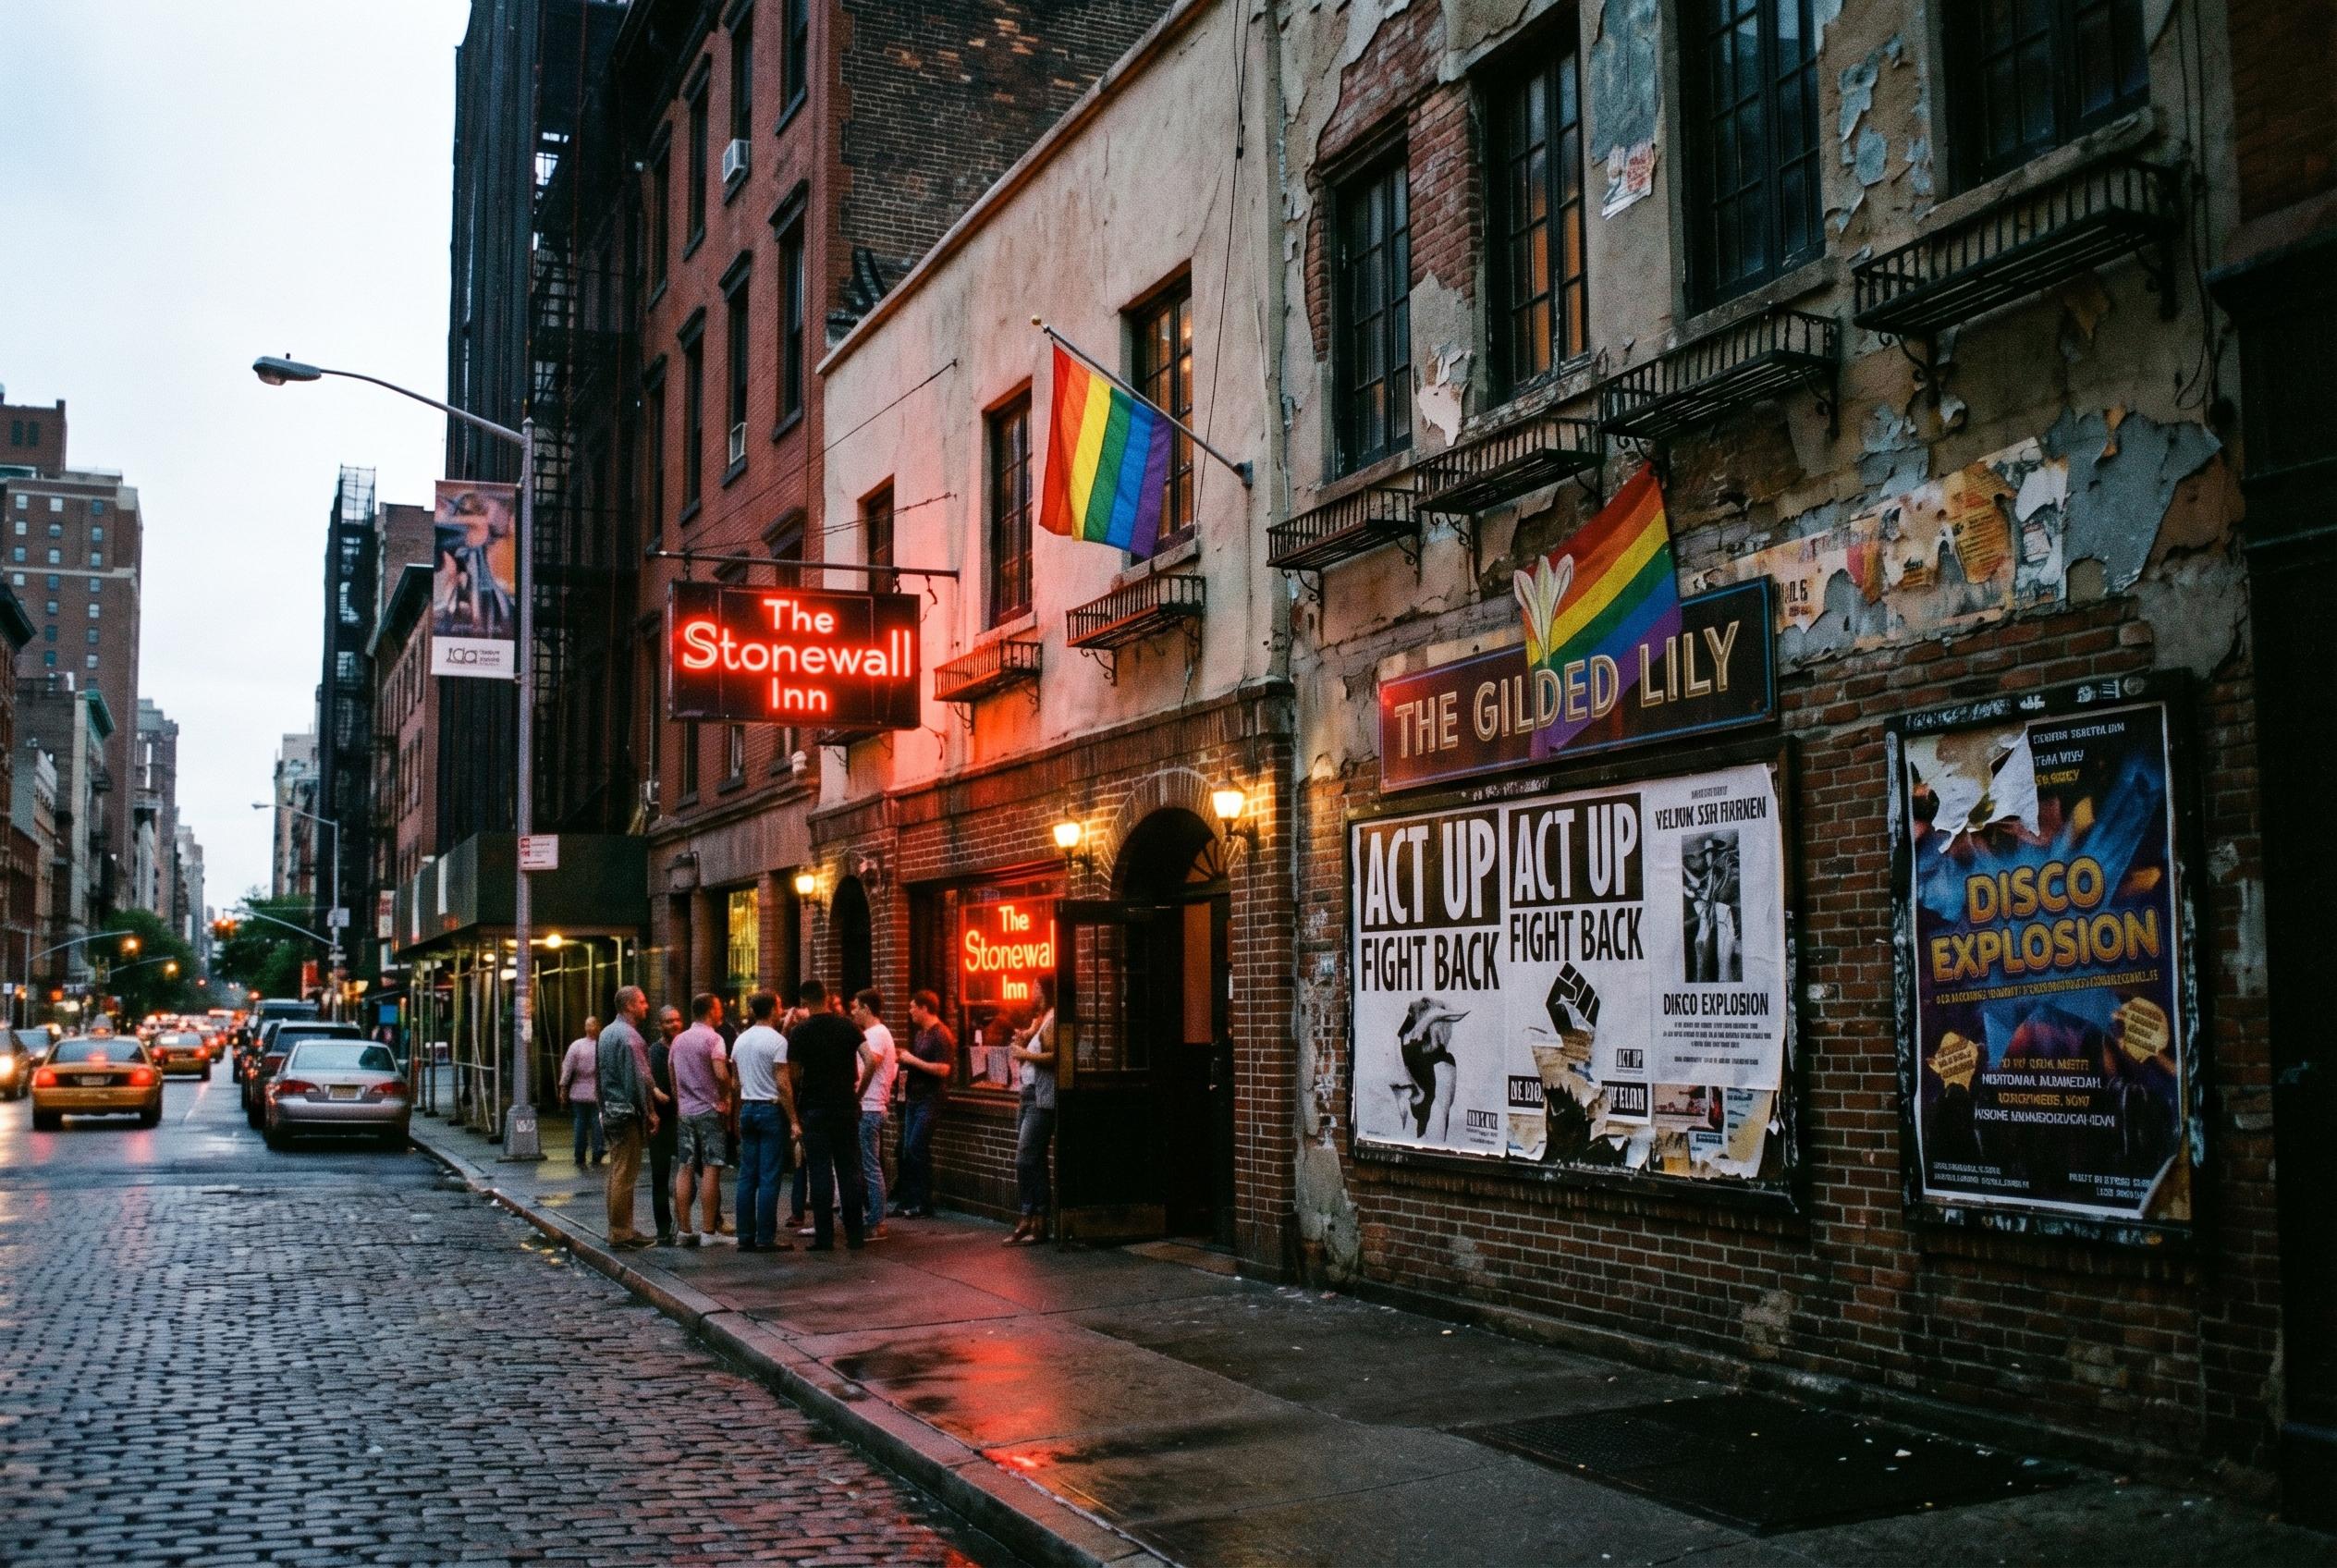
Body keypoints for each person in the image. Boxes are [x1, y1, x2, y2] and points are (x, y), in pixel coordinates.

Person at [789, 980, 871, 1252]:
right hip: (846, 1105)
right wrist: (859, 1093)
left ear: (804, 1002)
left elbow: (794, 1075)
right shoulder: (847, 1026)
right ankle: (855, 1235)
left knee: (820, 1172)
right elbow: (871, 1060)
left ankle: (824, 1237)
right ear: (826, 998)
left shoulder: (800, 1032)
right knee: (850, 1169)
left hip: (814, 1108)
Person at [731, 991, 800, 1253]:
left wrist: (739, 1112)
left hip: (747, 1108)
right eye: (780, 1006)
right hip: (770, 1110)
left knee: (747, 1175)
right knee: (770, 1176)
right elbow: (783, 1084)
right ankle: (765, 1237)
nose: (781, 1010)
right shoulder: (777, 1041)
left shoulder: (740, 1040)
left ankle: (745, 1235)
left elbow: (736, 1083)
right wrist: (794, 1118)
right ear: (772, 1009)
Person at [593, 988, 657, 1250]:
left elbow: (598, 1075)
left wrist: (601, 1107)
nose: (647, 1005)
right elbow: (638, 1081)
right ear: (630, 1006)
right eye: (642, 1002)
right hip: (625, 1113)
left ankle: (620, 1228)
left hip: (610, 1110)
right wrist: (650, 1112)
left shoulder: (607, 1032)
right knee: (624, 1173)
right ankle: (621, 1232)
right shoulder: (631, 1038)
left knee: (617, 1171)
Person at [669, 993, 733, 1247]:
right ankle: (708, 1231)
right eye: (719, 1009)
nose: (721, 1013)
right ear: (710, 1011)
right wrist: (726, 1094)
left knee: (685, 1166)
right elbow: (720, 1072)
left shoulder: (678, 1041)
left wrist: (681, 1102)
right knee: (711, 1168)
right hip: (708, 1109)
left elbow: (673, 1078)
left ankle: (685, 1230)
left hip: (685, 1111)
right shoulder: (714, 1039)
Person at [1006, 978, 1058, 1244]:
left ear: (1046, 991)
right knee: (1035, 1160)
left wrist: (1024, 1054)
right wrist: (1026, 1039)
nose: (1032, 993)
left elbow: (1056, 1056)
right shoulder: (1041, 1020)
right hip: (1027, 1093)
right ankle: (1039, 1223)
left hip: (1041, 1097)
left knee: (1024, 1158)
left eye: (1036, 988)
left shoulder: (1053, 1019)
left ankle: (1028, 1216)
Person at [893, 991, 955, 1218]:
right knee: (908, 1149)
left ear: (925, 1008)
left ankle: (923, 1203)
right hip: (914, 1099)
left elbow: (944, 1069)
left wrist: (913, 1060)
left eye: (913, 1007)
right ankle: (909, 1200)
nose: (910, 1012)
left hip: (931, 1099)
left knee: (917, 1147)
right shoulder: (921, 1035)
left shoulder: (941, 1035)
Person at [851, 989, 899, 1240]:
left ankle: (877, 1221)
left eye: (856, 1007)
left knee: (870, 1166)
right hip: (868, 1107)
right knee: (865, 1165)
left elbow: (872, 1063)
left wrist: (857, 1094)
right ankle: (871, 1215)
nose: (853, 1012)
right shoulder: (870, 1034)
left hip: (869, 1108)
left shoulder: (877, 1034)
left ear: (866, 1008)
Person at [647, 1005, 684, 1245]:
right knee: (660, 1176)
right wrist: (654, 1099)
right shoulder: (653, 1052)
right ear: (660, 1026)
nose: (674, 1024)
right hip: (661, 1121)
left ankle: (684, 1221)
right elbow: (645, 1080)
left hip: (684, 1119)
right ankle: (663, 1227)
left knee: (692, 1171)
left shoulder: (685, 1046)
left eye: (677, 1020)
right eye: (669, 1021)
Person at [557, 1015, 605, 1167]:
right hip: (596, 1092)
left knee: (580, 1123)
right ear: (598, 1028)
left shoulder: (576, 1046)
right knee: (597, 1122)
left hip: (578, 1091)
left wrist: (563, 1088)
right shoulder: (602, 1046)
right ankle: (597, 1152)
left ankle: (579, 1155)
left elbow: (567, 1068)